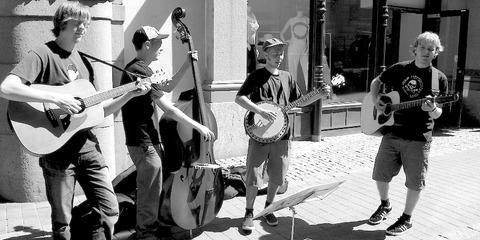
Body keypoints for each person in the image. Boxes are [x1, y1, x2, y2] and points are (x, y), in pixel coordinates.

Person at [0, 2, 152, 239]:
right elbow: (7, 87)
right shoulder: (43, 54)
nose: (83, 27)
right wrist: (54, 98)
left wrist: (129, 94)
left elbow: (98, 110)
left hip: (87, 148)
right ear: (62, 24)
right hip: (57, 154)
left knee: (110, 209)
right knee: (62, 223)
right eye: (77, 22)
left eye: (86, 23)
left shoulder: (85, 62)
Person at [120, 26, 215, 240]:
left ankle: (151, 227)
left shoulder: (143, 68)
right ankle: (145, 234)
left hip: (147, 141)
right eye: (158, 43)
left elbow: (169, 86)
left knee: (151, 189)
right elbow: (169, 108)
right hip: (143, 142)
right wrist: (199, 126)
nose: (161, 47)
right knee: (149, 191)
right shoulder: (138, 70)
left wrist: (187, 64)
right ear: (146, 45)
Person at [236, 38, 328, 232]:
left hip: (283, 135)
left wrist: (319, 94)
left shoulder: (287, 77)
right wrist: (259, 111)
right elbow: (240, 98)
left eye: (281, 54)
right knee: (253, 176)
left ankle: (268, 208)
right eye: (275, 54)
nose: (279, 57)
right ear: (266, 55)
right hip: (259, 135)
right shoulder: (256, 76)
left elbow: (299, 102)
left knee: (277, 177)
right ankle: (249, 212)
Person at [367, 31, 447, 236]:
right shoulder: (399, 69)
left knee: (414, 181)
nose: (426, 52)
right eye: (423, 47)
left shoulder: (439, 79)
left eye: (431, 49)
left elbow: (439, 113)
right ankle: (385, 205)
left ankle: (406, 218)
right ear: (415, 48)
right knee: (380, 174)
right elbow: (376, 82)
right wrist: (376, 100)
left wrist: (432, 109)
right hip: (392, 131)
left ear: (436, 53)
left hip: (419, 137)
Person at [280, 4, 309, 90]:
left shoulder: (307, 20)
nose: (300, 11)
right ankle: (293, 90)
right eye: (299, 9)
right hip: (293, 46)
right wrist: (285, 41)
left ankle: (308, 88)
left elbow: (308, 34)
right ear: (296, 10)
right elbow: (282, 33)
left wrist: (308, 44)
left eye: (301, 9)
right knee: (292, 70)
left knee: (306, 69)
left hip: (304, 47)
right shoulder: (291, 20)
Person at [247, 1, 259, 74]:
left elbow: (255, 32)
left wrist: (256, 47)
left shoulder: (253, 16)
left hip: (252, 44)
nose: (249, 7)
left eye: (249, 5)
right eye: (247, 5)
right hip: (246, 44)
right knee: (247, 67)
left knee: (252, 67)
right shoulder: (242, 17)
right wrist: (245, 43)